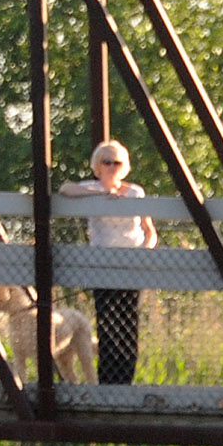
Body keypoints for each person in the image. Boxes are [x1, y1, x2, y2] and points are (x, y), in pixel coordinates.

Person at [58, 139, 156, 385]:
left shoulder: (135, 192)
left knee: (128, 322)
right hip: (101, 265)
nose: (112, 166)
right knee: (107, 321)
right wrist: (103, 193)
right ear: (97, 166)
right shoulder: (90, 189)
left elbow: (149, 230)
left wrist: (144, 252)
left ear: (124, 167)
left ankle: (126, 381)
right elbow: (65, 190)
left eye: (117, 162)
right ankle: (107, 381)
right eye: (107, 162)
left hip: (130, 265)